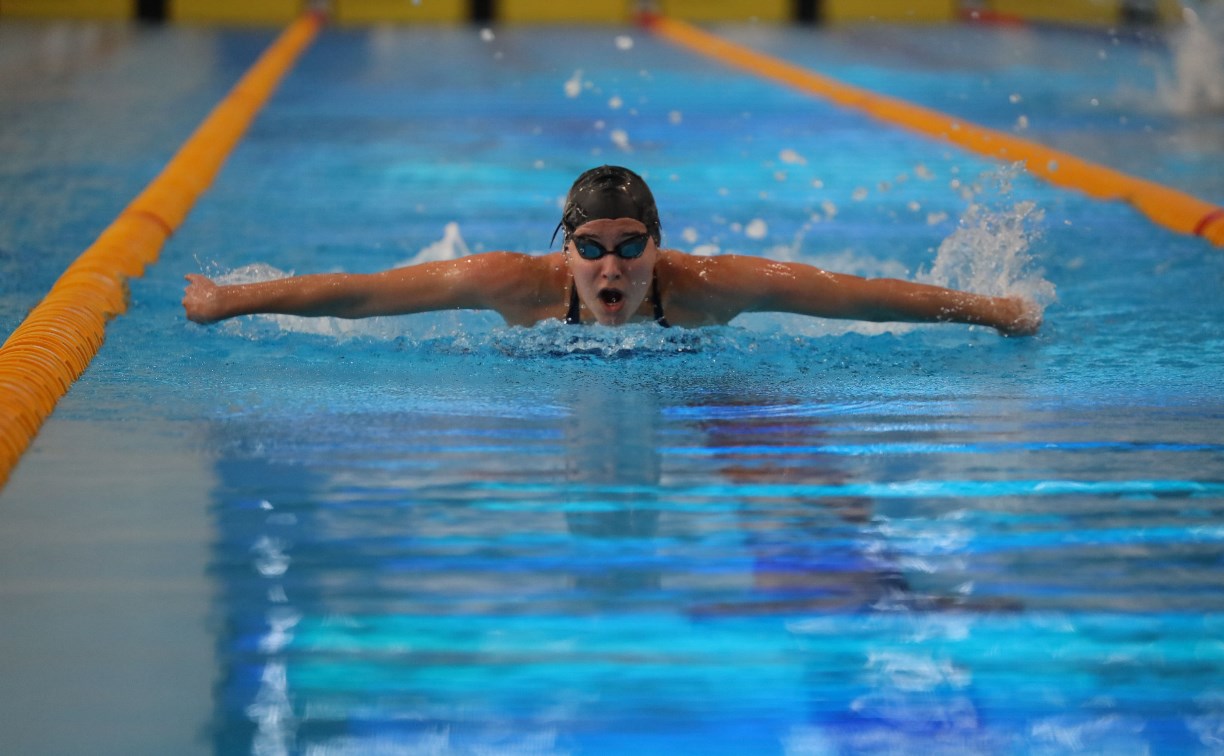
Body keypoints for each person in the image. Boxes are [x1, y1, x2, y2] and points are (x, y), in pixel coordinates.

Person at [183, 165, 1042, 336]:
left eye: (631, 246)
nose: (611, 268)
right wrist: (230, 300)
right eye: (590, 248)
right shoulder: (509, 284)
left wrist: (990, 310)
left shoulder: (713, 287)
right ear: (564, 254)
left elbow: (859, 294)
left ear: (659, 247)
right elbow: (361, 295)